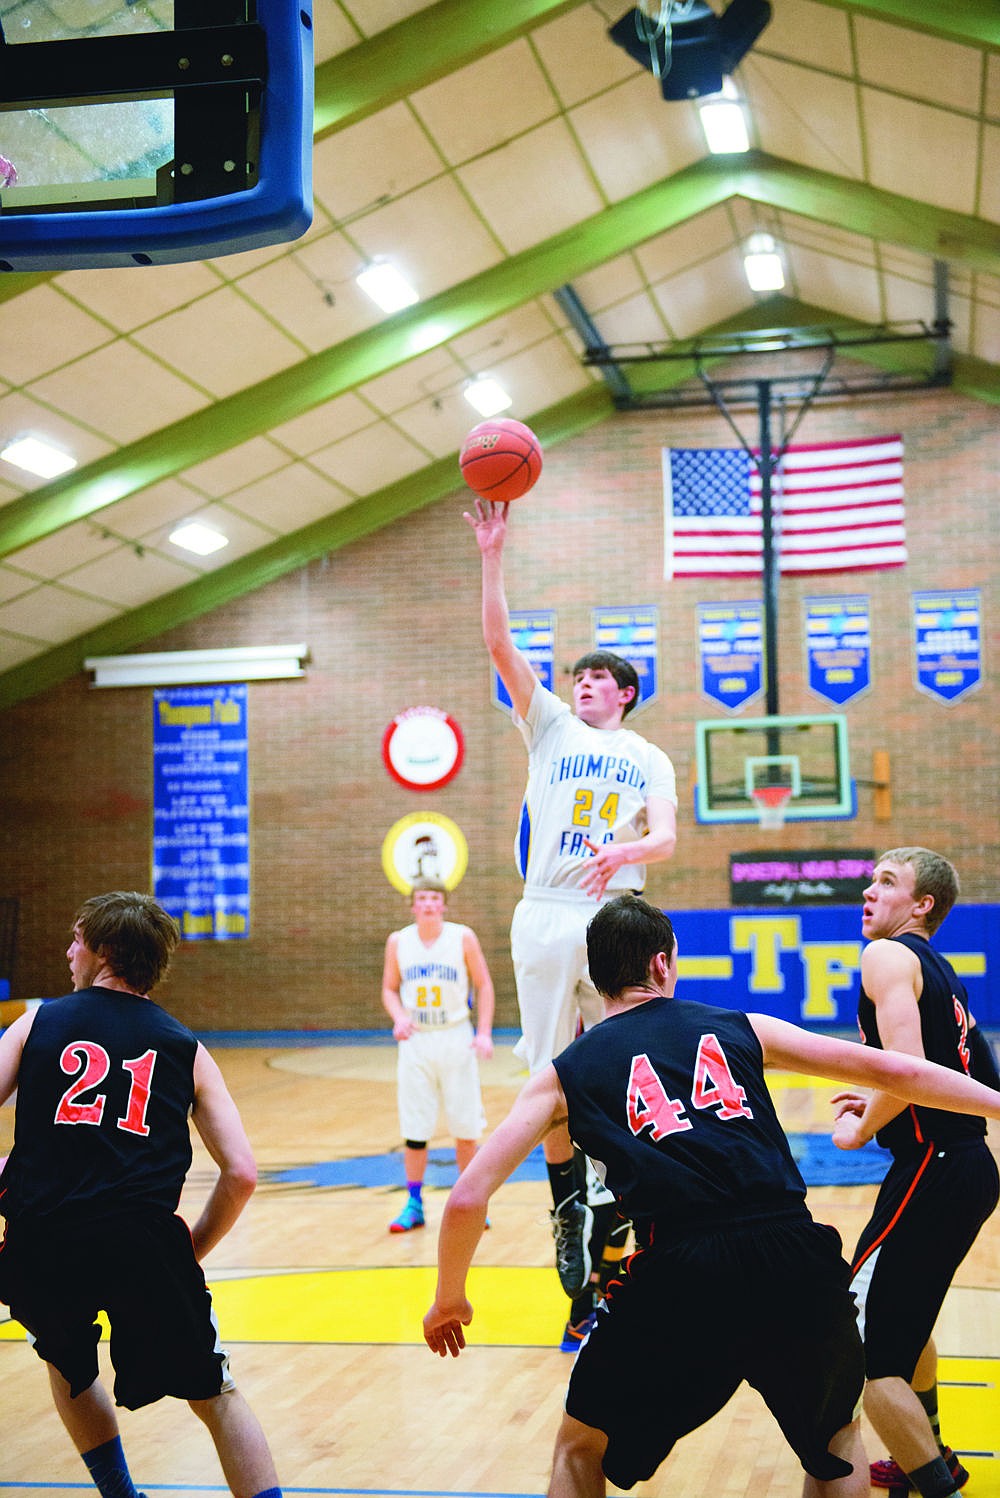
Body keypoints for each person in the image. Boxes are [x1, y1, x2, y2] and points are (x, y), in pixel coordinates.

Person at [423, 894, 1000, 1498]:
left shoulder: (564, 1074)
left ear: (594, 980)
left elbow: (467, 1197)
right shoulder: (741, 1026)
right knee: (836, 1444)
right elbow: (898, 1072)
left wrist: (449, 1300)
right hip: (792, 1255)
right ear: (664, 963)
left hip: (681, 1269)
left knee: (580, 1447)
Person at [465, 497, 678, 1338]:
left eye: (598, 676)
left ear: (625, 693)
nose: (582, 681)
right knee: (552, 1080)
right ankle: (571, 1228)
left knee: (631, 1071)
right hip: (550, 912)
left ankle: (624, 1220)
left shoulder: (648, 752)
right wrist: (493, 553)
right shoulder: (548, 724)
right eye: (578, 674)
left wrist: (625, 857)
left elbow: (663, 835)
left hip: (614, 912)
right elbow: (498, 645)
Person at [0, 891, 283, 1498]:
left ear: (103, 950)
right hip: (142, 1243)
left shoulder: (37, 1021)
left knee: (69, 1368)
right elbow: (241, 1174)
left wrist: (13, 1170)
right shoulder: (187, 1047)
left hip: (41, 1240)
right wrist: (191, 1249)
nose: (67, 951)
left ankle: (122, 1496)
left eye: (77, 939)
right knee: (217, 1395)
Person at [831, 848, 999, 1498]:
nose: (868, 891)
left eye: (887, 881)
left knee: (864, 1352)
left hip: (934, 1166)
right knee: (907, 1318)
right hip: (965, 1164)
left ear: (922, 904)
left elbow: (906, 1069)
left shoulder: (886, 956)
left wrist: (862, 1128)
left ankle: (936, 1488)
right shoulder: (941, 972)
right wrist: (877, 1103)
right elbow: (965, 1074)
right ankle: (920, 1454)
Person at [381, 877, 495, 1233]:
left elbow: (484, 984)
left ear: (443, 904)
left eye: (434, 898)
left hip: (455, 1035)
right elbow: (388, 988)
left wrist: (485, 1032)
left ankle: (470, 1202)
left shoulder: (462, 937)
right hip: (417, 1040)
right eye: (421, 899)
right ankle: (414, 1203)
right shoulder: (398, 941)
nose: (428, 904)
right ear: (413, 905)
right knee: (415, 1127)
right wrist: (399, 1017)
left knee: (465, 1126)